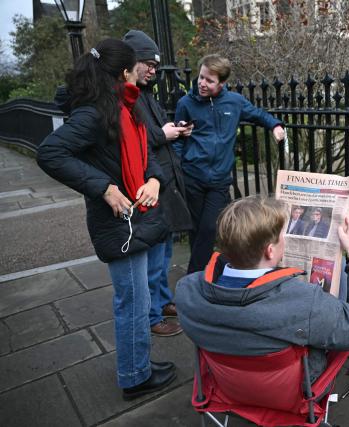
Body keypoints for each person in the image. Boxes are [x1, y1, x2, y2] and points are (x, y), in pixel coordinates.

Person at [37, 39, 176, 400]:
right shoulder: (95, 114)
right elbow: (50, 153)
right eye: (135, 68)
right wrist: (105, 188)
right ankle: (134, 376)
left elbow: (147, 156)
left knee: (140, 299)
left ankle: (138, 365)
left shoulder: (124, 107)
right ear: (123, 73)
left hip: (136, 218)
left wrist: (154, 180)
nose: (140, 73)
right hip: (119, 223)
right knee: (133, 302)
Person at [174, 196, 349, 382]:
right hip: (292, 393)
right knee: (342, 270)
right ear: (270, 250)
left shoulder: (187, 291)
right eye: (283, 235)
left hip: (227, 386)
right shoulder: (304, 303)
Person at [173, 54, 286, 273]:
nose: (203, 84)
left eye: (210, 80)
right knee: (197, 230)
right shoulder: (186, 104)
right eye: (201, 77)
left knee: (209, 228)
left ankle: (193, 277)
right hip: (192, 175)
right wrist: (177, 167)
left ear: (222, 83)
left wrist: (275, 125)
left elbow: (256, 114)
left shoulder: (234, 102)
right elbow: (178, 138)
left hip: (219, 179)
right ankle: (202, 276)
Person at [123, 30, 192, 337]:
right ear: (131, 61)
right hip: (147, 189)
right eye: (147, 63)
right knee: (152, 258)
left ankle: (162, 301)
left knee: (163, 254)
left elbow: (151, 135)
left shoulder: (144, 95)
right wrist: (163, 135)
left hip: (163, 183)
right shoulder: (125, 98)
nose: (152, 70)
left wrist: (172, 130)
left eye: (154, 64)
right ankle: (151, 317)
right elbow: (134, 140)